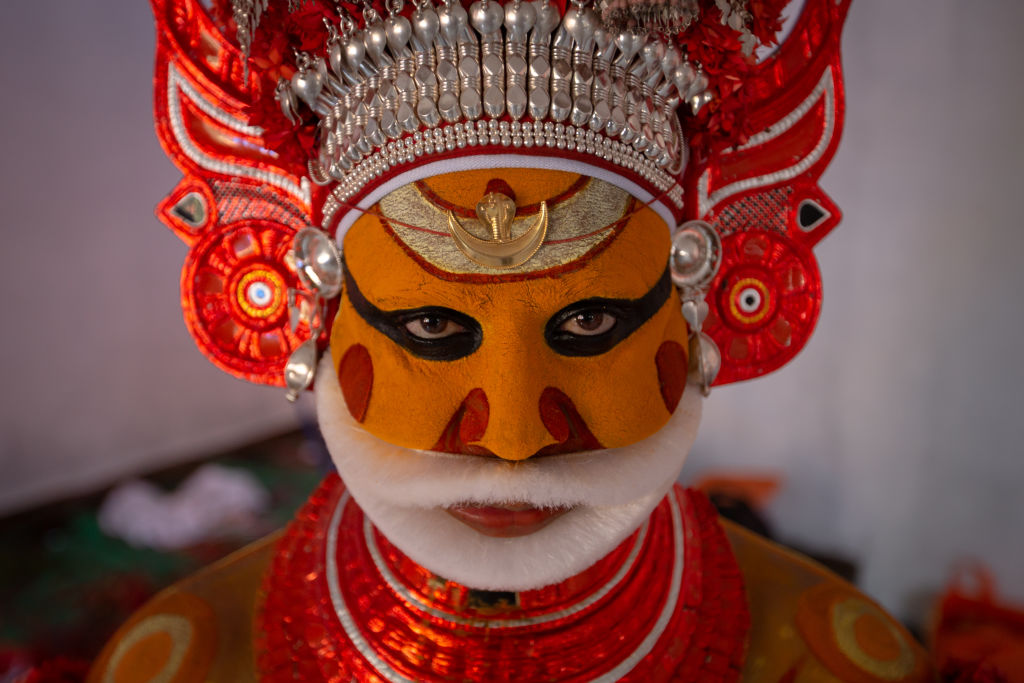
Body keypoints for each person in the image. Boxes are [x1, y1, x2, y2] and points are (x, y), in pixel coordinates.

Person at [88, 0, 934, 680]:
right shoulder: (190, 657)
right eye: (430, 325)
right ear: (312, 316)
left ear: (700, 310)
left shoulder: (829, 658)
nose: (515, 436)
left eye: (591, 322)